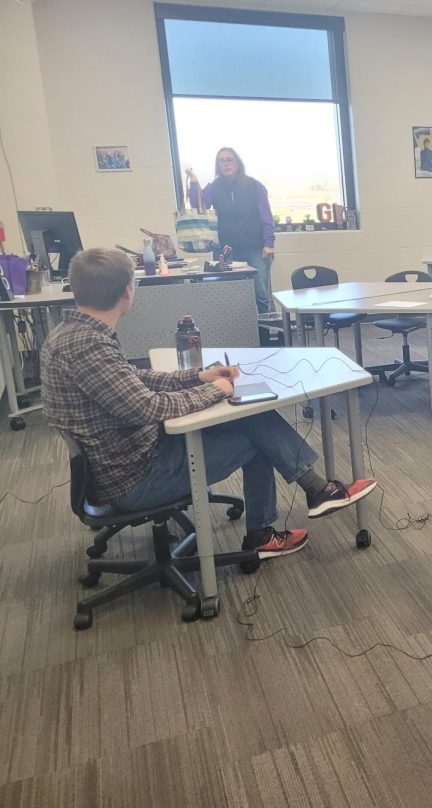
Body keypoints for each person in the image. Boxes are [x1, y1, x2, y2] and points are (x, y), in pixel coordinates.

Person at [42, 248, 378, 560]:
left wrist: (200, 377)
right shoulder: (89, 346)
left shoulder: (75, 333)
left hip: (125, 458)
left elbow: (137, 379)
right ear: (128, 291)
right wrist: (216, 390)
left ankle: (318, 490)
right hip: (136, 478)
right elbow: (149, 408)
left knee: (251, 417)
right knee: (258, 440)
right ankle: (266, 532)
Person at [186, 147, 276, 314]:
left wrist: (269, 244)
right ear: (218, 165)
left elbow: (266, 216)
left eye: (229, 159)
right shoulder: (214, 187)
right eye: (222, 160)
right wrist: (193, 181)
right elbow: (199, 206)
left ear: (237, 163)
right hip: (226, 251)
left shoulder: (254, 185)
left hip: (256, 249)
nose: (226, 163)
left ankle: (270, 336)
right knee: (232, 296)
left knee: (261, 294)